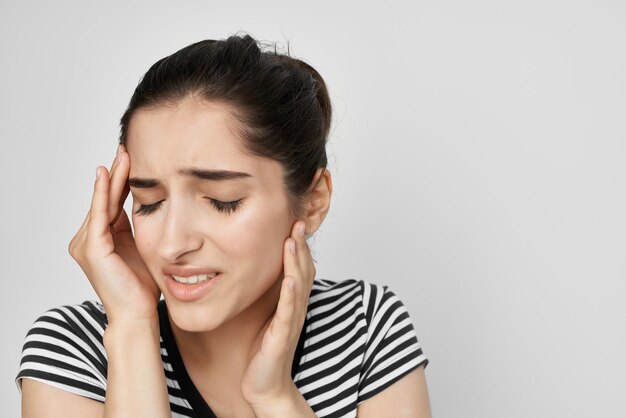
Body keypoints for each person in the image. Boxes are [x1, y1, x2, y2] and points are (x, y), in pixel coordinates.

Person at [15, 33, 431, 417]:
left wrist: (274, 395)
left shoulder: (366, 326)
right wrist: (131, 328)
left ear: (314, 200)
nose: (172, 243)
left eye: (222, 201)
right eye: (149, 202)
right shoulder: (74, 349)